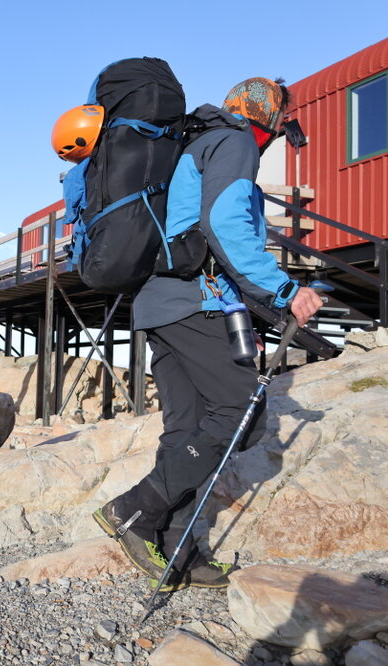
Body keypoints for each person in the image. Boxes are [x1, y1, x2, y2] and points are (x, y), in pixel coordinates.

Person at [93, 78, 324, 589]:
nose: (286, 127)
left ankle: (177, 547)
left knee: (187, 427)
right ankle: (136, 509)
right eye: (284, 116)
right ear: (266, 113)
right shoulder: (236, 141)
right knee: (243, 410)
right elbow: (224, 225)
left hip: (159, 303)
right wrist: (286, 292)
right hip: (194, 301)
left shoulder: (191, 142)